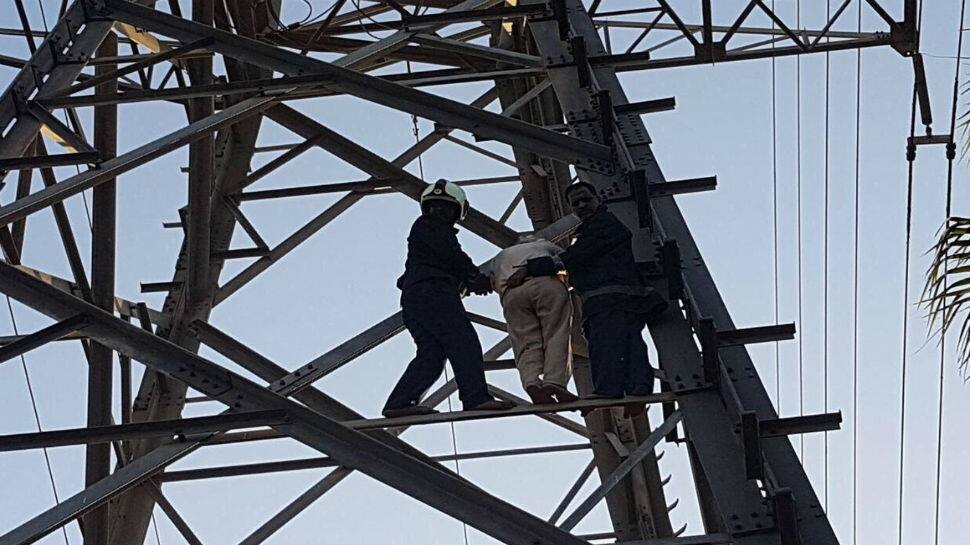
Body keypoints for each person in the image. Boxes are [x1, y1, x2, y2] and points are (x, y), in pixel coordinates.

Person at [512, 182, 667, 400]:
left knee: (605, 344)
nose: (582, 205)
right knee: (631, 343)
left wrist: (532, 268)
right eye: (576, 203)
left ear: (598, 199)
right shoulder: (603, 226)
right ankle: (638, 389)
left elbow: (577, 256)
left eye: (586, 199)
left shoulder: (602, 226)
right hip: (626, 298)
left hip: (606, 298)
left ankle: (608, 390)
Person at [383, 179, 516, 418]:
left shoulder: (424, 227)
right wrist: (473, 275)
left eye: (443, 207)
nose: (438, 211)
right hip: (433, 292)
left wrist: (468, 279)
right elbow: (450, 254)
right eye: (435, 207)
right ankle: (476, 397)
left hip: (415, 298)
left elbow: (444, 257)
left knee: (432, 354)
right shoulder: (431, 227)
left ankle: (400, 403)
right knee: (463, 341)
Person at [487, 234, 579, 405]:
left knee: (526, 342)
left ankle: (532, 383)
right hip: (546, 285)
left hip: (511, 294)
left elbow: (490, 282)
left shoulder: (500, 257)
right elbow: (569, 261)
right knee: (556, 333)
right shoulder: (544, 245)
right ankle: (554, 382)